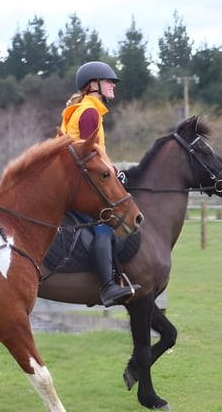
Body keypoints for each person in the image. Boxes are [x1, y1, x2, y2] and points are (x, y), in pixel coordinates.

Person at [59, 61, 141, 307]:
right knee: (105, 225)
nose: (113, 84)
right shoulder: (90, 112)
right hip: (80, 184)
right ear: (93, 85)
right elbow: (89, 154)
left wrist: (113, 171)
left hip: (73, 180)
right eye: (109, 81)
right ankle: (107, 287)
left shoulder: (82, 108)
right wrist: (113, 172)